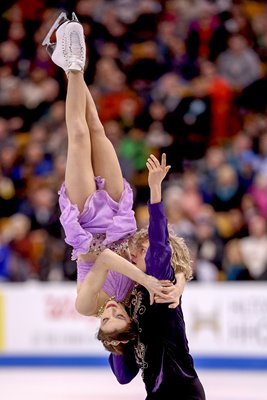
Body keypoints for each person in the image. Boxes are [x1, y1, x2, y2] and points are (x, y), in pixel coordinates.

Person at [42, 13, 182, 343]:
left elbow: (103, 258)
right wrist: (176, 284)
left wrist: (145, 282)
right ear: (129, 322)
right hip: (120, 221)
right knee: (98, 130)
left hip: (88, 227)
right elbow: (172, 267)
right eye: (119, 318)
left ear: (99, 329)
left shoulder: (85, 305)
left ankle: (74, 65)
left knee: (77, 137)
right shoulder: (136, 303)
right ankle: (70, 64)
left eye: (107, 321)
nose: (111, 313)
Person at [103, 154, 206, 399]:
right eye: (137, 250)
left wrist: (155, 189)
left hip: (182, 393)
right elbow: (124, 376)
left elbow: (159, 244)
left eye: (144, 249)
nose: (139, 253)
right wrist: (115, 339)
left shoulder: (160, 285)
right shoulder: (133, 296)